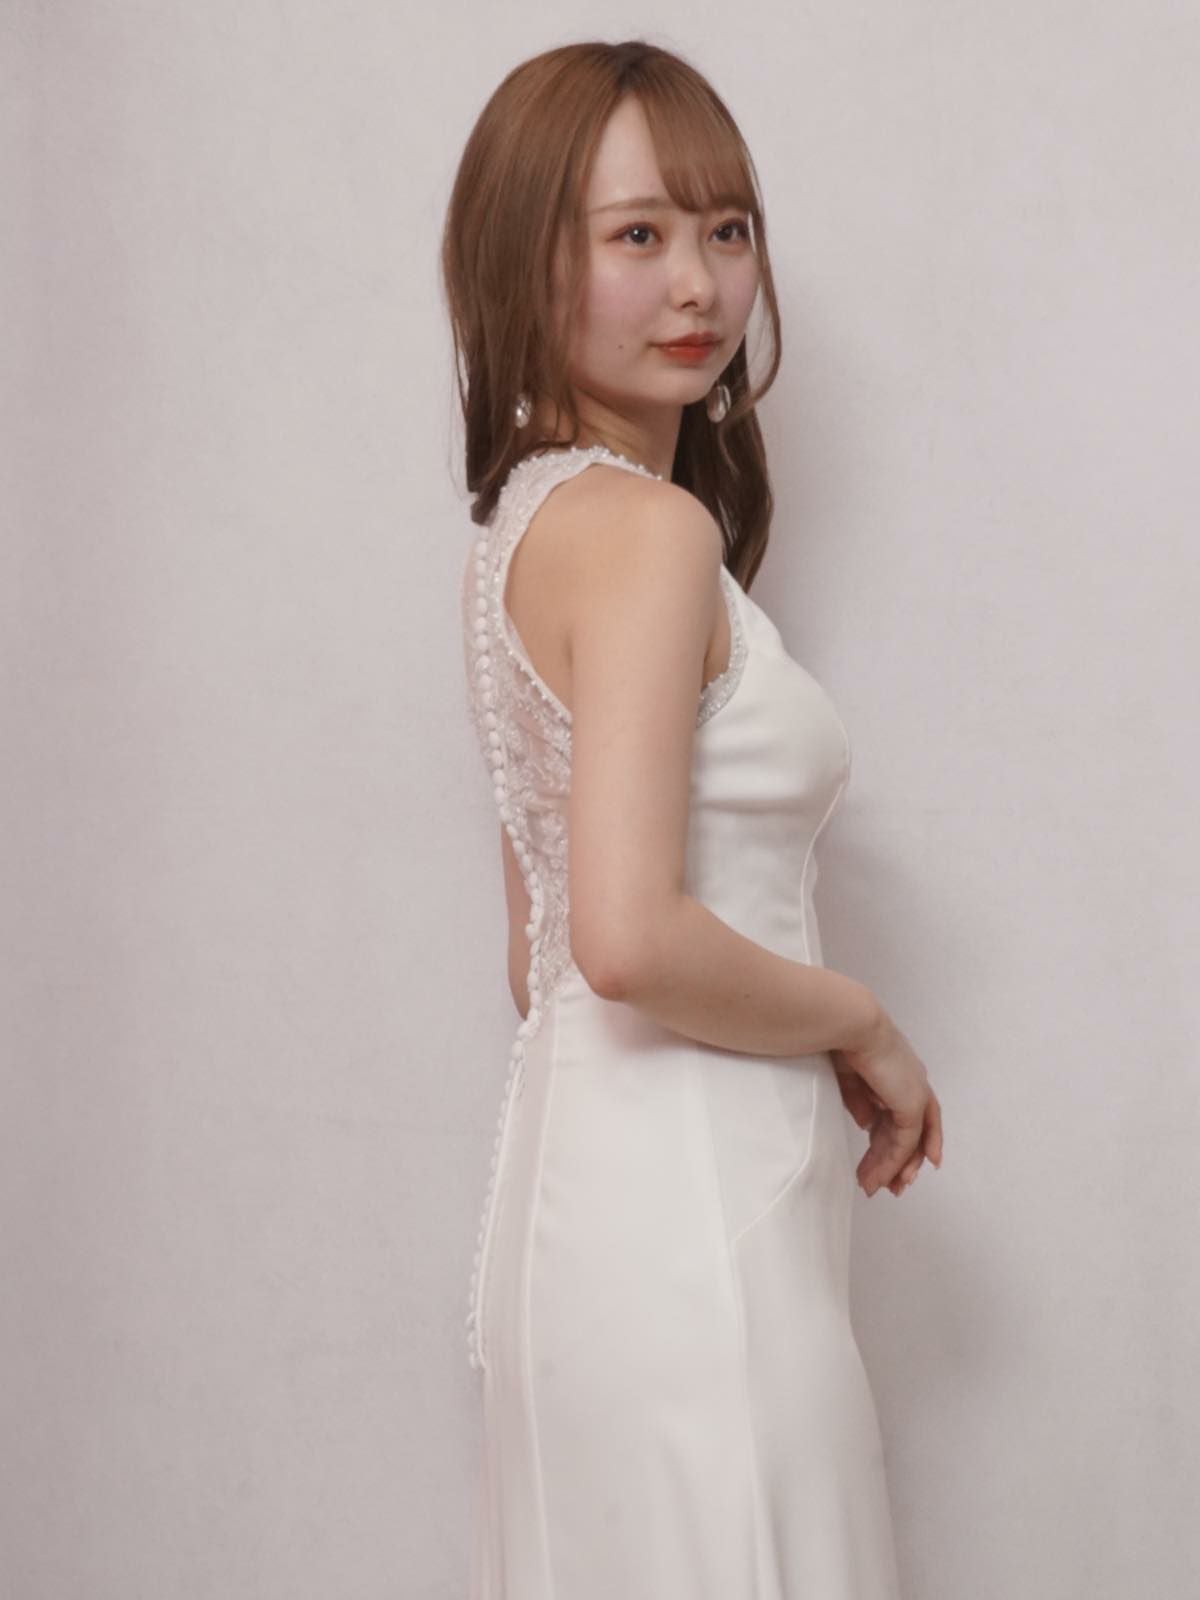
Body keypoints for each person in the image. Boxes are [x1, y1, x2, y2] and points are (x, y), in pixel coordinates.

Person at [441, 37, 944, 1600]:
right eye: (638, 233)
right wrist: (859, 1018)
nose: (699, 284)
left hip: (589, 1202)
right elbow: (624, 938)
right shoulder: (647, 535)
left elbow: (539, 959)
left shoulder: (523, 529)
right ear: (528, 257)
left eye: (726, 229)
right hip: (690, 1220)